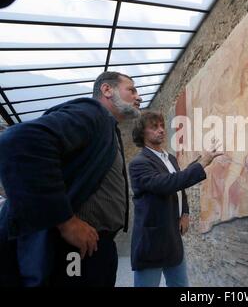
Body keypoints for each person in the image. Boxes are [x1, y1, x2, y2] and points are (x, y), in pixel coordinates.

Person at [0, 71, 142, 286]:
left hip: (96, 245)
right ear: (107, 90)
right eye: (131, 90)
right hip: (74, 248)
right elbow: (20, 141)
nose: (138, 96)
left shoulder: (107, 127)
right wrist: (66, 221)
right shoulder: (92, 112)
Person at [129, 111, 222, 287]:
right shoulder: (139, 163)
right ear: (142, 133)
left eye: (162, 125)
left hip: (172, 238)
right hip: (151, 241)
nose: (161, 130)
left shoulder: (169, 158)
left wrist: (185, 212)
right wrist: (202, 164)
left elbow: (179, 185)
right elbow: (166, 184)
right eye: (154, 127)